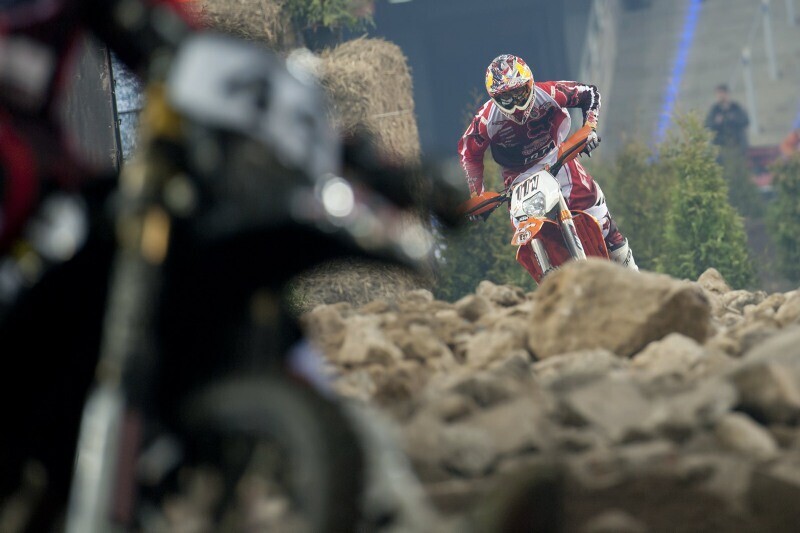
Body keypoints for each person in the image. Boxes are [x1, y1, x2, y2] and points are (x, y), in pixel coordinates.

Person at [458, 53, 637, 277]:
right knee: (525, 233)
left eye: (519, 93)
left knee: (600, 219)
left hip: (556, 157)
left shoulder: (549, 92)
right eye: (506, 99)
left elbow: (589, 93)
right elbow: (468, 153)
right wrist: (477, 194)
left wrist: (589, 129)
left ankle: (634, 275)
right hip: (518, 177)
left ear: (530, 84)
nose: (516, 105)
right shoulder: (486, 119)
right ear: (495, 99)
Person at [705, 83, 750, 149]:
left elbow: (746, 121)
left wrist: (733, 119)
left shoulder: (736, 108)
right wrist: (716, 123)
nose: (720, 96)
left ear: (727, 94)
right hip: (720, 146)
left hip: (737, 145)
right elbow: (707, 126)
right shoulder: (714, 110)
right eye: (718, 94)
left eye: (722, 93)